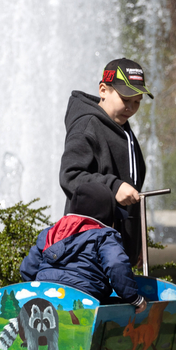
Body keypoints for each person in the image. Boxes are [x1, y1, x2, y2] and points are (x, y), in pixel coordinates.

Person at [59, 58, 153, 266]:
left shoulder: (123, 129)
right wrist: (114, 187)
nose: (130, 107)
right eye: (125, 99)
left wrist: (135, 242)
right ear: (103, 90)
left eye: (137, 101)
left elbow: (132, 189)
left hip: (116, 253)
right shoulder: (87, 125)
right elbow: (70, 175)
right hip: (90, 251)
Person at [20, 181, 147, 312]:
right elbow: (116, 264)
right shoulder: (104, 236)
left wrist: (39, 290)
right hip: (85, 301)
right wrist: (132, 297)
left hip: (44, 297)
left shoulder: (49, 233)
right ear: (106, 216)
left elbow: (27, 269)